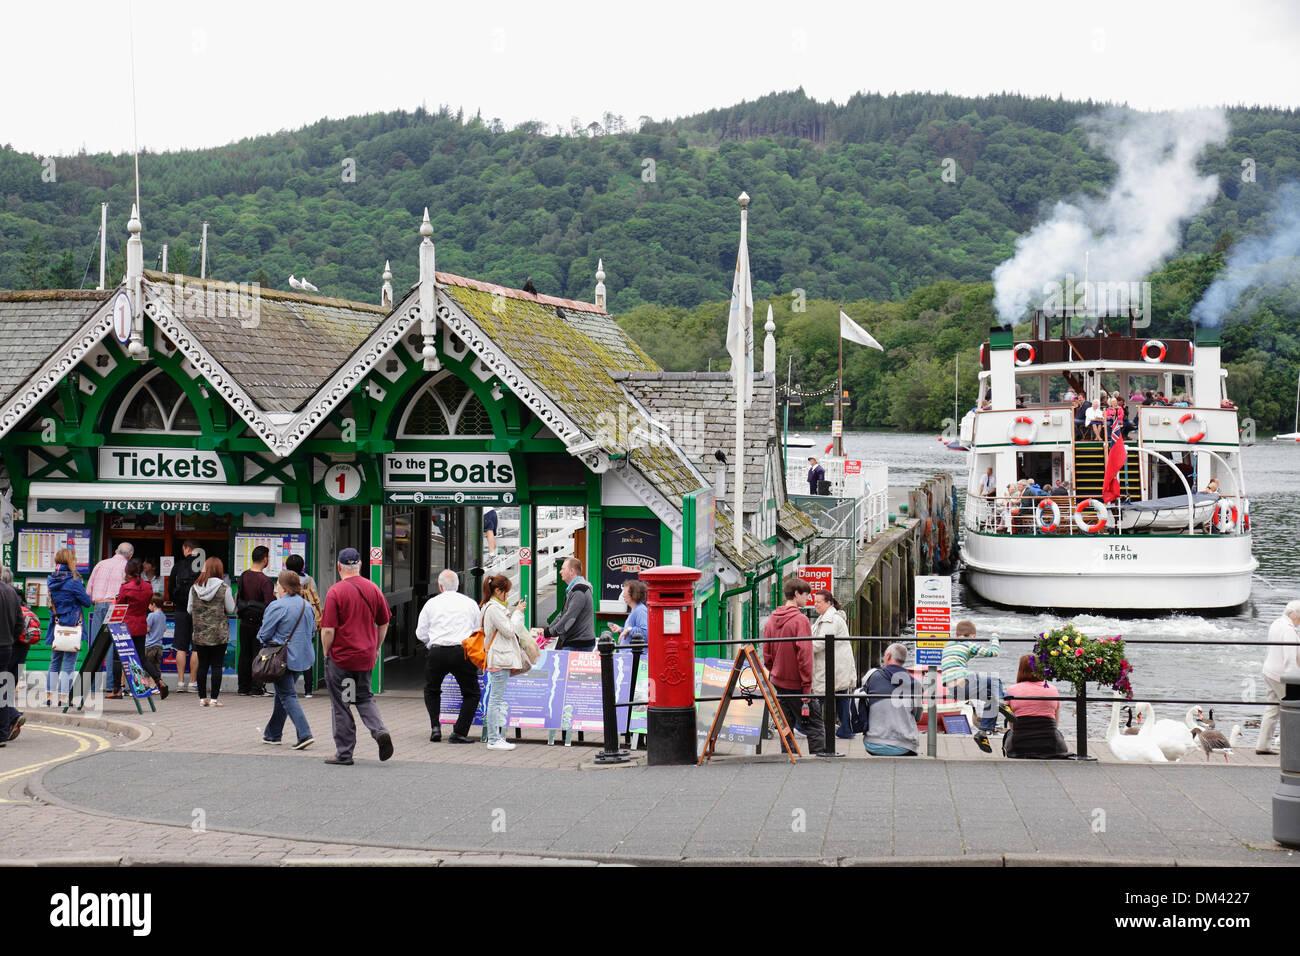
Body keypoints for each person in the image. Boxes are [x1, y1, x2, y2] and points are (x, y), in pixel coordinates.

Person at [320, 547, 393, 765]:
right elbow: (384, 622)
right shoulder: (373, 588)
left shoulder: (335, 592)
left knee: (342, 702)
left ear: (339, 566)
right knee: (363, 696)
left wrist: (326, 653)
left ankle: (344, 753)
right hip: (365, 657)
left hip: (341, 658)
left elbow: (328, 630)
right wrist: (376, 646)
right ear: (360, 565)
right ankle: (379, 731)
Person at [416, 569, 482, 744]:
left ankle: (435, 728)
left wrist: (432, 642)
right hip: (462, 652)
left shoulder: (431, 603)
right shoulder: (470, 603)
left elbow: (420, 632)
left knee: (432, 690)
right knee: (471, 693)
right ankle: (460, 732)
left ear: (440, 586)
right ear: (458, 586)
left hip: (437, 651)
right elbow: (477, 630)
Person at [762, 578, 824, 755]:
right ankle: (819, 761)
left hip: (779, 682)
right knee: (814, 725)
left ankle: (788, 757)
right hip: (797, 684)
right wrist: (806, 687)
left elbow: (766, 652)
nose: (808, 600)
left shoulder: (772, 619)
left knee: (786, 725)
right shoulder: (801, 620)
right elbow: (805, 656)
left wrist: (775, 671)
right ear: (796, 594)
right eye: (806, 595)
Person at [256, 570, 316, 750]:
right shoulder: (307, 605)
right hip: (302, 657)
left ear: (282, 587)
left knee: (288, 695)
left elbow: (265, 633)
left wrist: (263, 640)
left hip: (281, 657)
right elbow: (312, 632)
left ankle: (304, 733)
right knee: (282, 695)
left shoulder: (277, 606)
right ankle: (273, 734)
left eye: (277, 585)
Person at [481, 573, 530, 752]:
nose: (507, 595)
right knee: (495, 700)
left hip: (498, 657)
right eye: (506, 591)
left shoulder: (491, 607)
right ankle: (494, 739)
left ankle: (495, 737)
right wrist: (518, 613)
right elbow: (509, 631)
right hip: (499, 658)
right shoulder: (494, 608)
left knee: (495, 699)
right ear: (497, 590)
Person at [941, 619, 1003, 748]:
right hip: (963, 682)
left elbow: (966, 655)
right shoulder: (968, 644)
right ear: (973, 635)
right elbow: (993, 652)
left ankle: (983, 732)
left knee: (991, 698)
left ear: (956, 634)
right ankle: (1003, 703)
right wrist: (995, 638)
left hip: (954, 690)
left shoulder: (948, 645)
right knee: (995, 680)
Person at [45, 549, 92, 708]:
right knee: (69, 664)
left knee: (55, 662)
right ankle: (64, 698)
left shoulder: (51, 579)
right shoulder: (74, 580)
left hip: (56, 624)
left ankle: (49, 697)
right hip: (72, 624)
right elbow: (86, 602)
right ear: (70, 561)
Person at [857, 643, 922, 755]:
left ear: (888, 657)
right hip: (905, 746)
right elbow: (917, 717)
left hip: (873, 744)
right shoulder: (915, 685)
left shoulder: (871, 676)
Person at [116, 559, 168, 699]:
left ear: (128, 572)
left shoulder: (125, 587)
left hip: (126, 627)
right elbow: (146, 603)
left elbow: (119, 606)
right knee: (141, 659)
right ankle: (158, 680)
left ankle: (118, 690)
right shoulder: (148, 587)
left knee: (119, 658)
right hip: (140, 625)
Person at [86, 542, 133, 694]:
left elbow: (88, 591)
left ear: (115, 551)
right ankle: (111, 685)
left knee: (95, 645)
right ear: (130, 555)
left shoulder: (100, 564)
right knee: (113, 645)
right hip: (115, 607)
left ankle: (92, 685)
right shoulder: (127, 567)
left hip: (99, 605)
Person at [189, 556, 235, 707]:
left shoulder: (194, 588)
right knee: (216, 665)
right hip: (219, 634)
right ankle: (214, 699)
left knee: (202, 665)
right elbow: (230, 609)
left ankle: (202, 699)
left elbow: (189, 609)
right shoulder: (224, 589)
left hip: (200, 633)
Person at [1002, 655, 1068, 758]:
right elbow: (1055, 723)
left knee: (1009, 733)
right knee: (1057, 733)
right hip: (1051, 746)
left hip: (1019, 746)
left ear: (1021, 669)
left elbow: (1012, 725)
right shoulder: (1053, 690)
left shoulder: (1011, 690)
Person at [811, 590, 856, 739]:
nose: (815, 604)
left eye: (819, 602)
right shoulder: (828, 617)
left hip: (832, 667)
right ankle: (846, 729)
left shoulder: (830, 620)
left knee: (820, 695)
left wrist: (801, 647)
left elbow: (819, 643)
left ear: (828, 603)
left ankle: (805, 726)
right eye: (815, 601)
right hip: (838, 666)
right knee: (841, 696)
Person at [1259, 601, 1300, 755]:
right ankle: (1291, 748)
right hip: (1281, 676)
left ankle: (1263, 745)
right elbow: (1290, 659)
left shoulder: (1276, 624)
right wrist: (1293, 682)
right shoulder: (1289, 631)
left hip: (1269, 671)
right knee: (1292, 710)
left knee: (1272, 709)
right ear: (1294, 615)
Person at [237, 546, 275, 696]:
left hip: (244, 621)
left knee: (244, 654)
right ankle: (257, 688)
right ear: (265, 559)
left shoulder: (243, 576)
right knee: (258, 655)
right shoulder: (265, 581)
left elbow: (239, 598)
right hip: (259, 623)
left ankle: (242, 687)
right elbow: (269, 605)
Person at [283, 554, 321, 697]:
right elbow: (315, 597)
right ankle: (308, 690)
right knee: (306, 655)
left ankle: (288, 688)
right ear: (302, 566)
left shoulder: (285, 580)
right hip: (306, 620)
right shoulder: (309, 580)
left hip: (289, 622)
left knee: (286, 655)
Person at [541, 557, 595, 651]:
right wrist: (548, 630)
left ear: (571, 571)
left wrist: (549, 632)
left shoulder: (579, 591)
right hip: (575, 643)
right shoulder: (574, 589)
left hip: (579, 645)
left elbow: (569, 618)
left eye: (563, 569)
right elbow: (563, 614)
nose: (560, 572)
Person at [169, 540, 201, 693]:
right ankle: (193, 682)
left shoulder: (178, 566)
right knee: (196, 647)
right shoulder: (203, 565)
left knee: (180, 647)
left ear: (187, 548)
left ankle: (181, 682)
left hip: (181, 610)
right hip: (198, 611)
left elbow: (170, 589)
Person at [0, 569, 24, 743]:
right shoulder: (10, 591)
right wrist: (10, 639)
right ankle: (1, 734)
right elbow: (19, 622)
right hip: (6, 647)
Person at [612, 579, 648, 645]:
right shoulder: (635, 609)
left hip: (635, 654)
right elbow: (631, 631)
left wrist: (628, 630)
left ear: (633, 594)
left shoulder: (640, 610)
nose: (623, 596)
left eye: (625, 593)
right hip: (629, 653)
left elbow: (645, 633)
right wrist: (621, 629)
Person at [144, 596, 167, 688]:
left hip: (149, 645)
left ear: (153, 604)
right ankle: (158, 686)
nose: (148, 606)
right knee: (156, 667)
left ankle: (152, 685)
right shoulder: (163, 615)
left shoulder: (151, 615)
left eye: (149, 604)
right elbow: (164, 629)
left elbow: (147, 629)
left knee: (148, 667)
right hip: (159, 645)